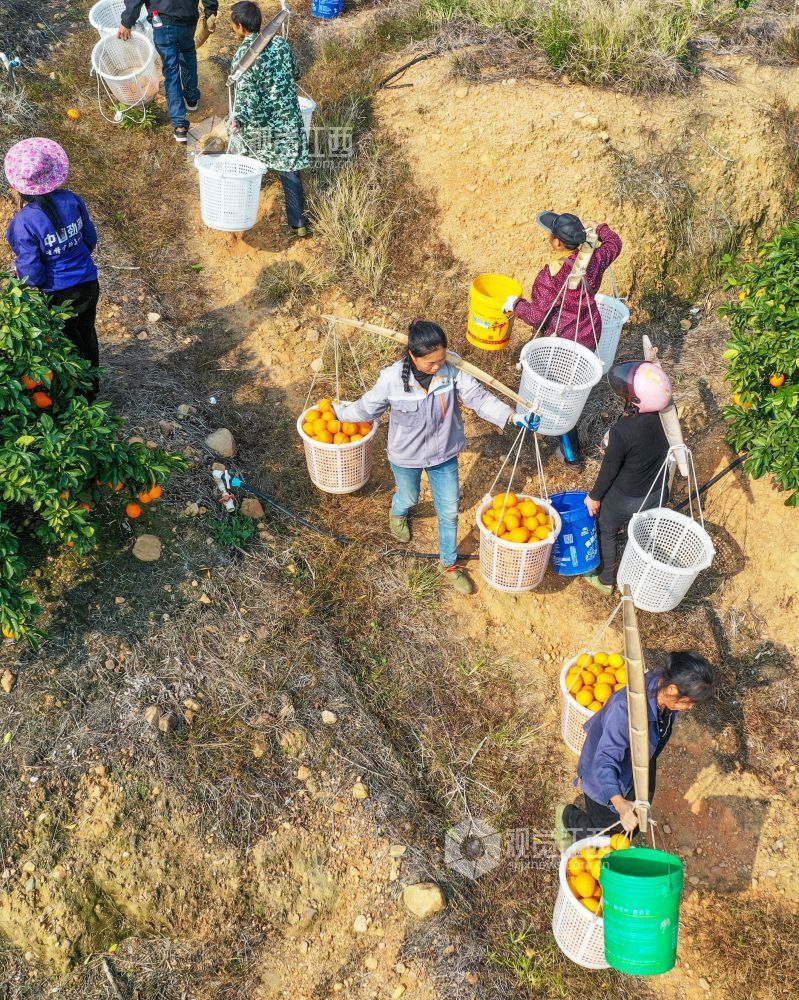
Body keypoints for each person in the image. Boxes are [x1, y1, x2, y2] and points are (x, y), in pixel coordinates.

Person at [333, 320, 540, 595]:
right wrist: (339, 415)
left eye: (441, 359)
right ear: (412, 356)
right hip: (405, 456)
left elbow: (479, 398)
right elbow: (367, 408)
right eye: (431, 363)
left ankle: (448, 564)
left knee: (450, 510)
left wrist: (512, 416)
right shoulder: (392, 380)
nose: (437, 366)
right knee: (409, 497)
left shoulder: (453, 371)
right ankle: (398, 514)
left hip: (444, 454)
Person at [555, 650, 716, 849]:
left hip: (637, 765)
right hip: (605, 778)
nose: (690, 708)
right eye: (689, 702)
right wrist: (620, 804)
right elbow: (605, 760)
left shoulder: (662, 687)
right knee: (602, 831)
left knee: (633, 821)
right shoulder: (625, 709)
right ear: (673, 690)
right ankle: (569, 817)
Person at [504, 211, 623, 465]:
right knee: (568, 389)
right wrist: (600, 228)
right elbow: (615, 244)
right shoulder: (594, 258)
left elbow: (537, 316)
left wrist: (515, 304)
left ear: (557, 242)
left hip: (563, 338)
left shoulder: (553, 275)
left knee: (559, 396)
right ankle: (567, 441)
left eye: (551, 233)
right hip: (589, 331)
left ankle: (571, 455)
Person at [4, 138, 100, 399]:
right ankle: (93, 387)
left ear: (17, 187)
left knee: (68, 342)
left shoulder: (24, 222)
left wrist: (26, 283)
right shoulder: (71, 200)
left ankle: (79, 396)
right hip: (88, 283)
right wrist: (73, 257)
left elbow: (31, 271)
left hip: (57, 293)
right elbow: (89, 238)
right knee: (86, 331)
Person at [582, 361, 673, 596]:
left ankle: (606, 580)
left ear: (638, 401)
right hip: (658, 492)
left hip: (628, 497)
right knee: (642, 530)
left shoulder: (622, 432)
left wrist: (594, 497)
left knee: (607, 527)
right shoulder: (666, 418)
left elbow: (609, 471)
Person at [228, 1, 310, 237]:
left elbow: (247, 96)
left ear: (241, 27)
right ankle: (299, 224)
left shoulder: (243, 57)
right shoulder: (282, 44)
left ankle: (237, 214)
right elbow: (296, 73)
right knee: (289, 168)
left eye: (233, 25)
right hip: (287, 120)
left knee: (241, 160)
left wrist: (238, 120)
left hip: (260, 125)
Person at [119, 0, 218, 143]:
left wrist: (126, 21)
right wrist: (210, 11)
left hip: (163, 19)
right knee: (188, 54)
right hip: (187, 17)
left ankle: (180, 125)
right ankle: (191, 98)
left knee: (171, 70)